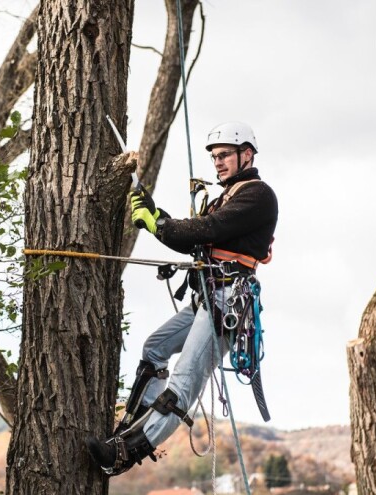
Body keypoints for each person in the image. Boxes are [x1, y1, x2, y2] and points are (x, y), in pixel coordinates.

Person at [85, 121, 278, 475]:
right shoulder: (227, 195)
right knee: (154, 348)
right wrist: (156, 214)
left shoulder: (257, 195)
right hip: (206, 296)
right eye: (215, 157)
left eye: (224, 156)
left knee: (184, 383)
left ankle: (123, 454)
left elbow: (207, 230)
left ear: (246, 154)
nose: (218, 163)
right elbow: (195, 236)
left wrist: (157, 223)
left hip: (225, 304)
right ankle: (135, 424)